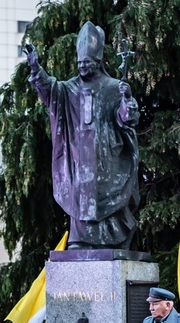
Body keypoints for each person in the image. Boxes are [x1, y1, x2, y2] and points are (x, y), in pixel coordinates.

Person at [25, 21, 140, 250]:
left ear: (98, 62)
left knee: (110, 198)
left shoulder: (113, 86)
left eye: (87, 62)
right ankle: (79, 241)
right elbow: (49, 90)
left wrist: (127, 101)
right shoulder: (69, 89)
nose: (83, 67)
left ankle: (116, 241)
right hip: (79, 159)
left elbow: (126, 119)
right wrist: (36, 69)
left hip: (109, 158)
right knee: (82, 200)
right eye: (80, 63)